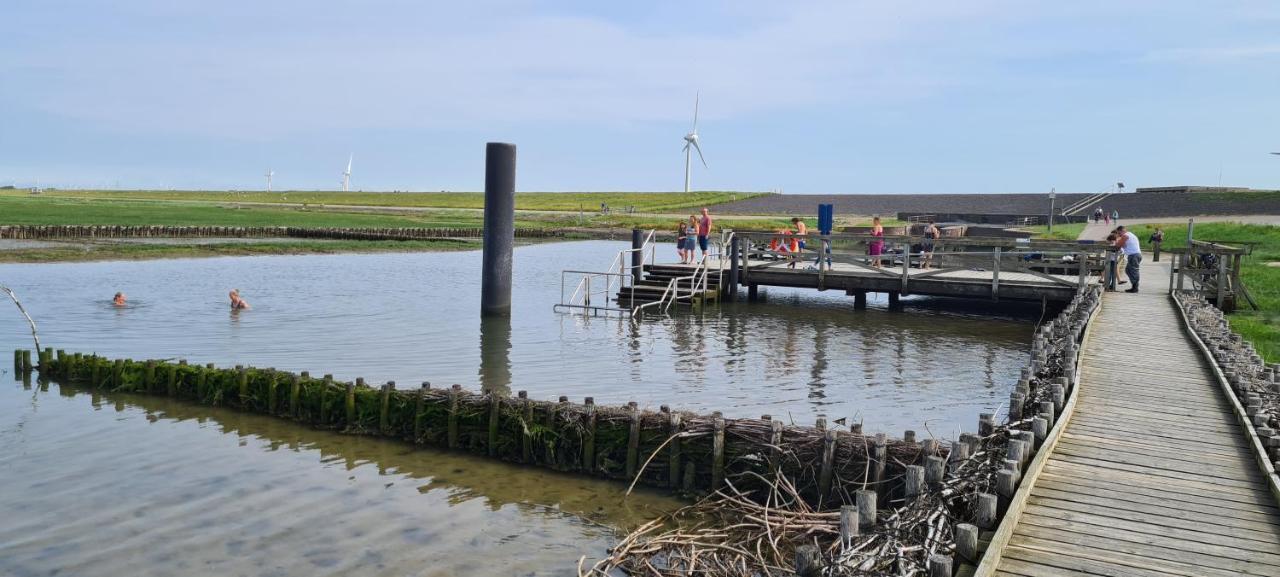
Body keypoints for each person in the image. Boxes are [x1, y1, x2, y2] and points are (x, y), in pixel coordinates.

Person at [1115, 225, 1141, 292]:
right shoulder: (1130, 234)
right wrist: (1121, 242)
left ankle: (1135, 287)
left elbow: (1118, 245)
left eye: (1119, 233)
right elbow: (1123, 245)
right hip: (1136, 255)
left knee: (1133, 271)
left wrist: (1117, 238)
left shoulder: (1125, 236)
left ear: (1122, 231)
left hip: (1133, 256)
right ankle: (1134, 286)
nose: (1118, 234)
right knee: (1128, 270)